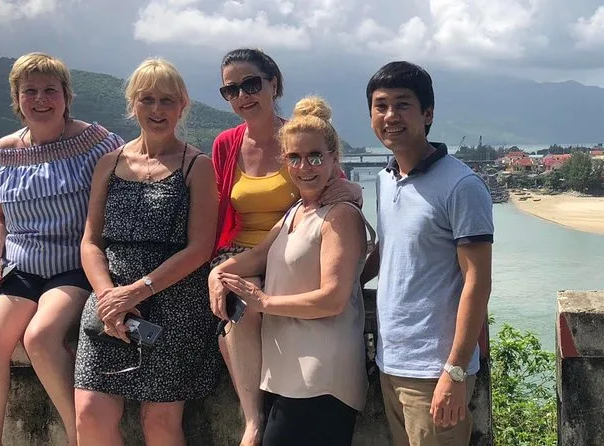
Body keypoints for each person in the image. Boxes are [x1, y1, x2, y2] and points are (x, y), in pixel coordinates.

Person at [211, 48, 361, 445]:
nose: (242, 95)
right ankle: (252, 419)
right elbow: (218, 209)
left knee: (252, 310)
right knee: (239, 314)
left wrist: (356, 193)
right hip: (249, 252)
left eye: (251, 84)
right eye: (231, 89)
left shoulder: (300, 136)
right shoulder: (226, 144)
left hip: (296, 253)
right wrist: (216, 270)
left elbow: (334, 186)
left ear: (273, 84)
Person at [0, 52, 124, 445]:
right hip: (21, 266)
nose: (40, 99)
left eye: (49, 90)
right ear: (17, 98)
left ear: (66, 96)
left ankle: (80, 437)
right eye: (30, 91)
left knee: (40, 337)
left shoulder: (95, 142)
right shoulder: (5, 151)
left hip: (73, 265)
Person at [73, 57, 220, 446]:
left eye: (167, 100)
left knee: (158, 421)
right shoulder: (109, 164)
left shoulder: (196, 166)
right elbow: (91, 241)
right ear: (133, 104)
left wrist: (138, 291)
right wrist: (108, 296)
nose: (157, 109)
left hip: (174, 301)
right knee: (89, 412)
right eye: (148, 99)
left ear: (182, 106)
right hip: (110, 299)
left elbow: (200, 247)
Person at [360, 61, 494, 446]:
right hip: (390, 362)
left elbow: (477, 281)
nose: (390, 116)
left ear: (428, 113)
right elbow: (391, 247)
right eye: (380, 106)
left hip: (435, 371)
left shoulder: (461, 186)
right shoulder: (385, 179)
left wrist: (455, 371)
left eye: (403, 104)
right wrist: (348, 282)